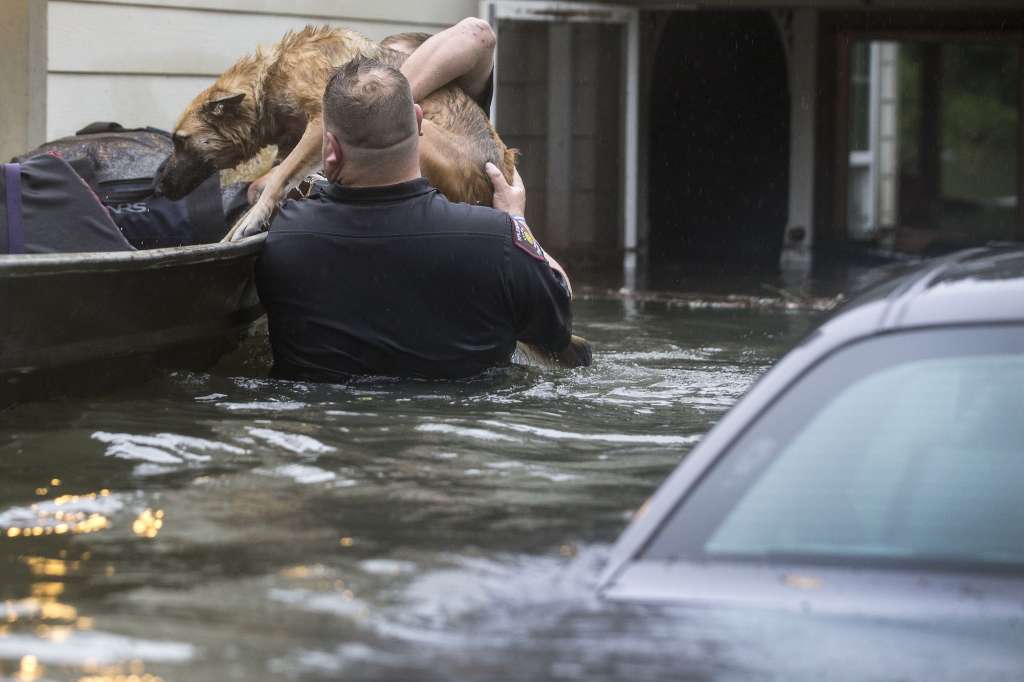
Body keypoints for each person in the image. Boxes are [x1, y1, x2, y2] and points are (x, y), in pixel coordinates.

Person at [254, 57, 574, 382]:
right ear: (419, 121)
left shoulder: (287, 238)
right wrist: (517, 220)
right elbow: (557, 323)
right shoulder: (496, 239)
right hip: (461, 419)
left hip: (329, 424)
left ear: (331, 147)